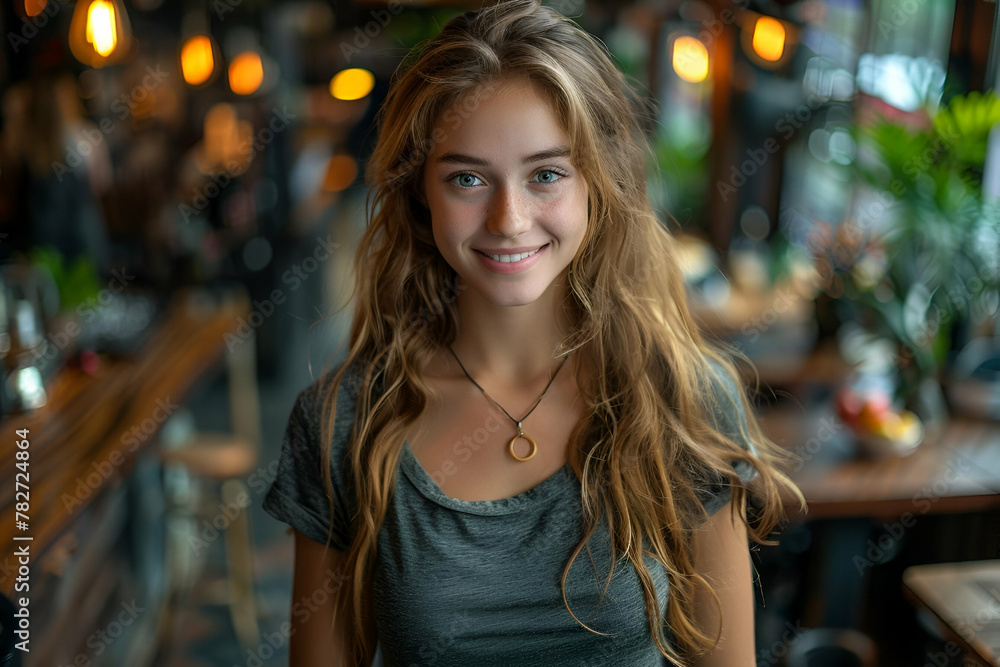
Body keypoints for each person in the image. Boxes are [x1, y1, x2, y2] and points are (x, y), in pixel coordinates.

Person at [262, 1, 804, 665]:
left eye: (546, 174)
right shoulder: (342, 424)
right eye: (467, 178)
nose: (509, 218)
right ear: (418, 192)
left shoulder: (683, 399)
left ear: (596, 185)